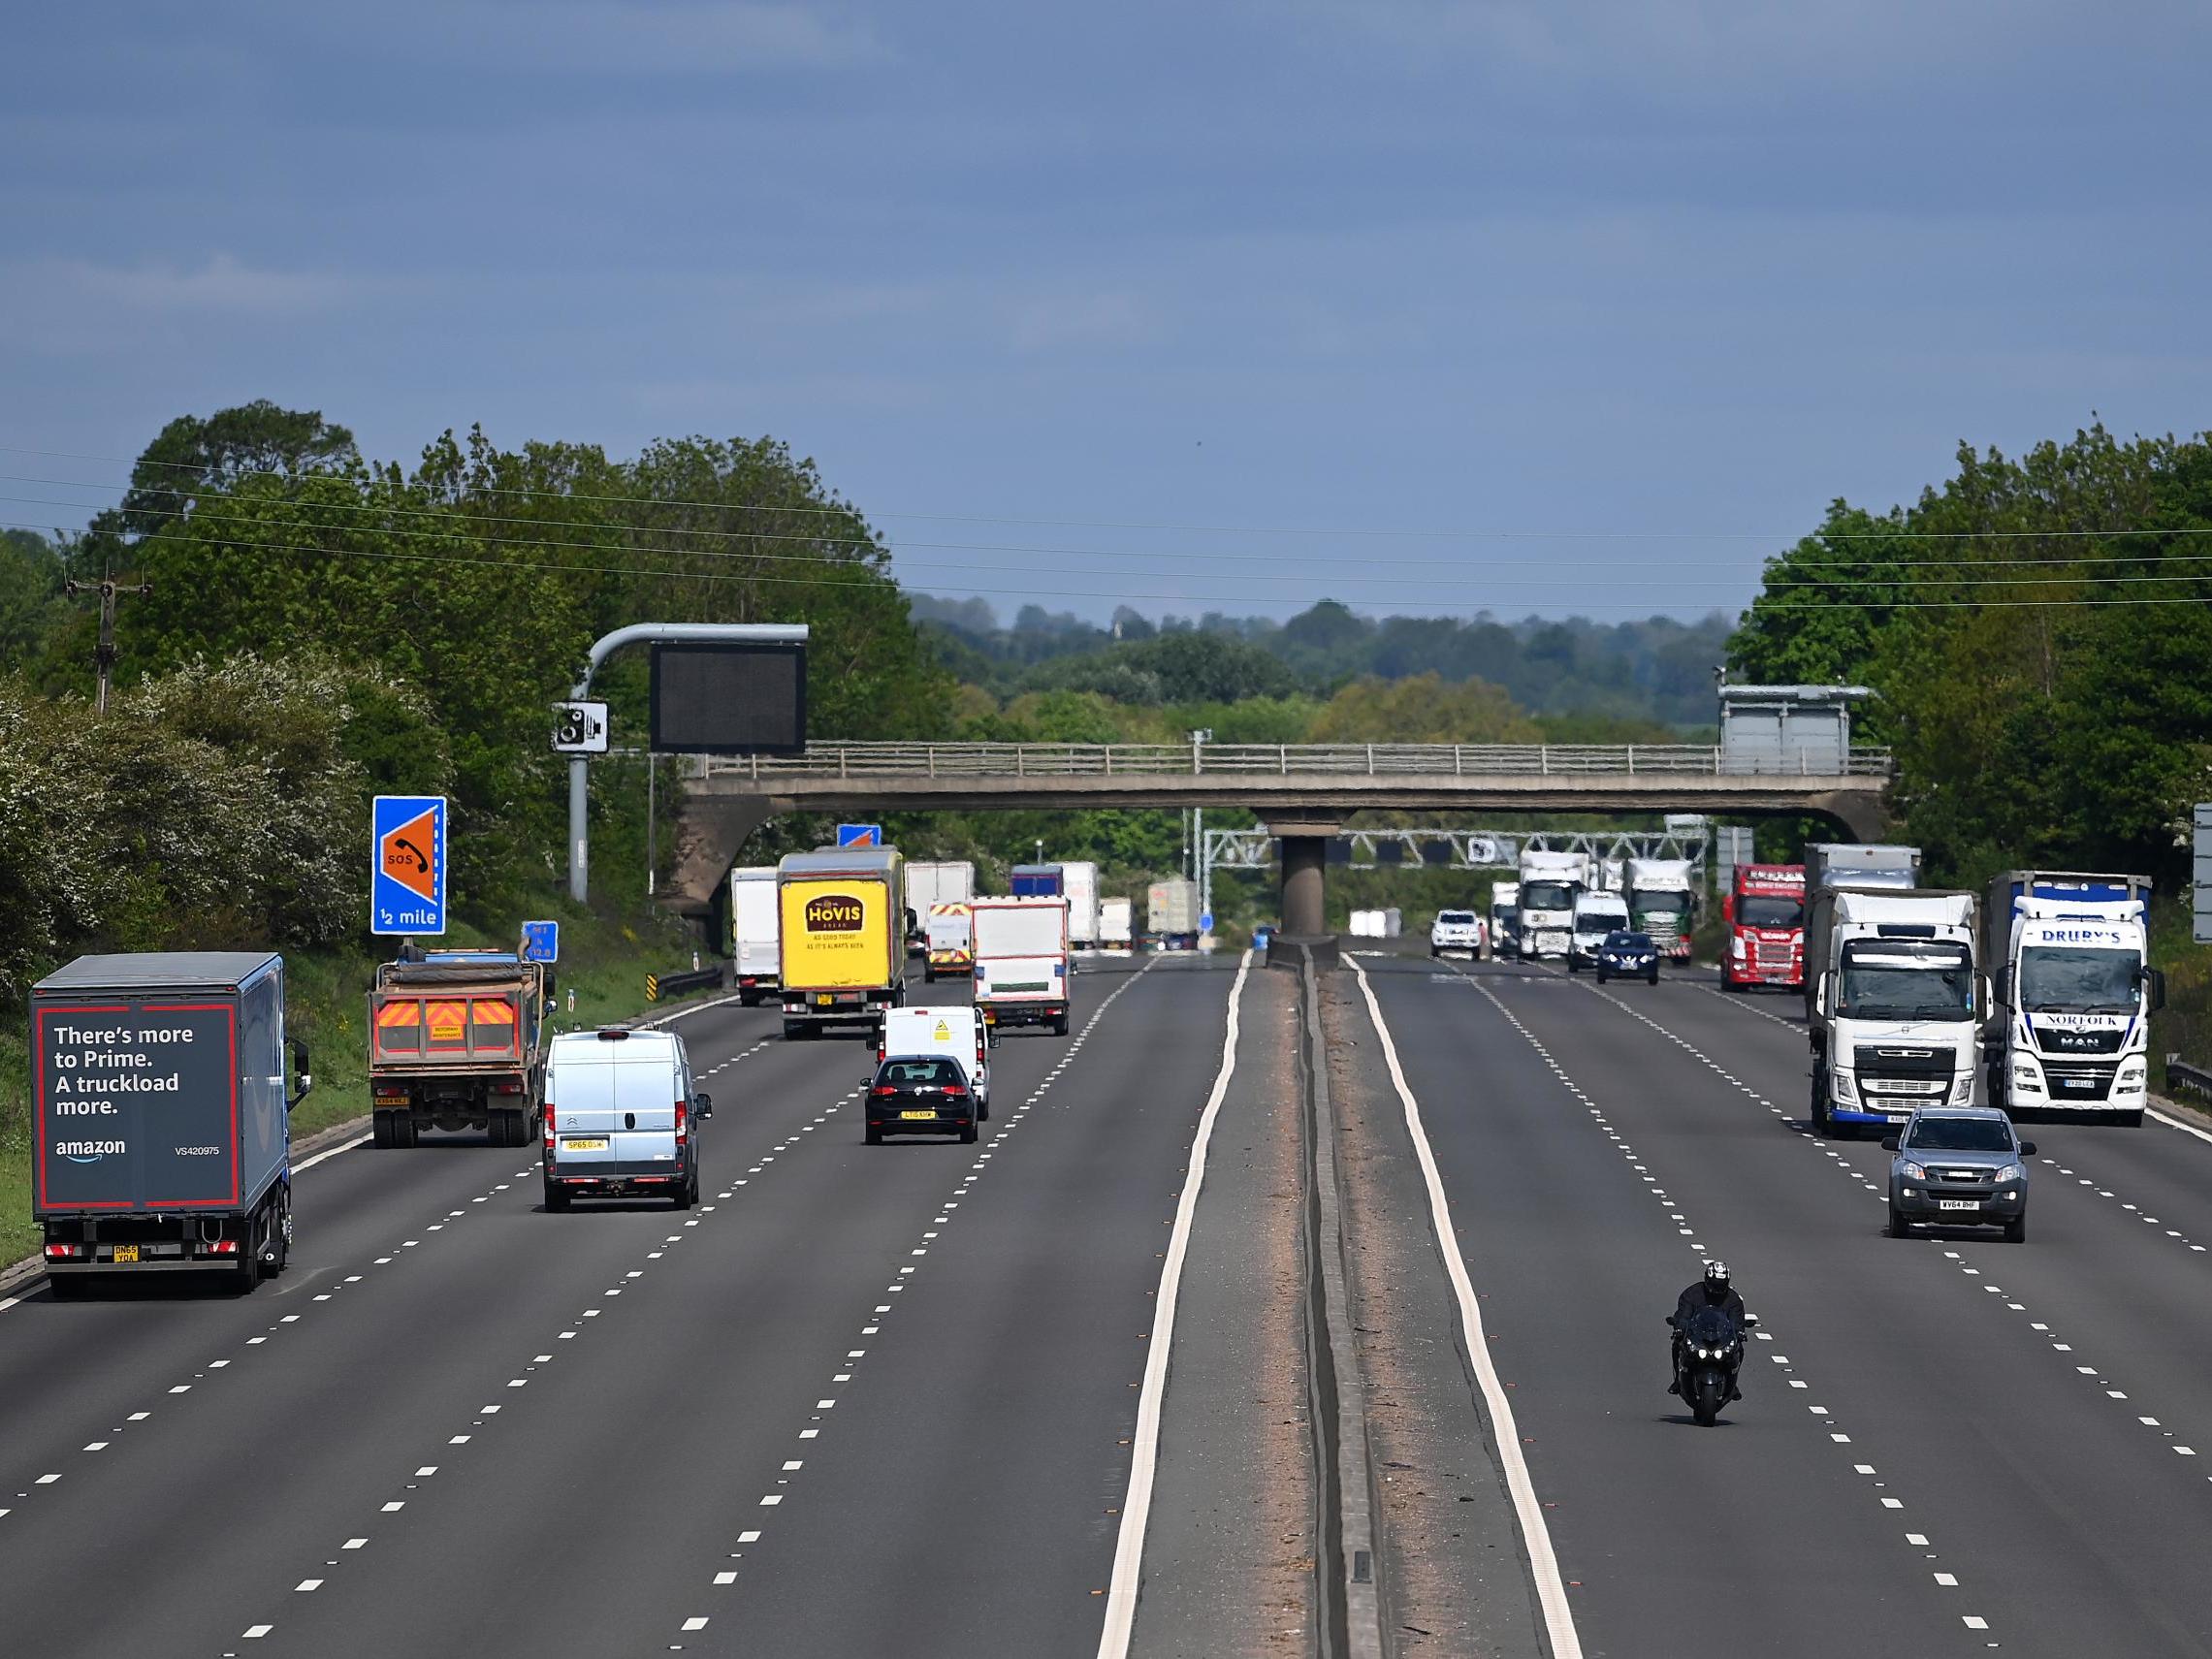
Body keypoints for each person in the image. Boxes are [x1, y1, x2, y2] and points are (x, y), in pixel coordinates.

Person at [1667, 1260, 1747, 1397]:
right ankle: (1677, 1380)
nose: (1717, 1288)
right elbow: (1684, 1315)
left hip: (1721, 1338)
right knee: (1677, 1343)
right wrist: (1680, 1327)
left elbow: (1736, 1320)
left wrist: (1739, 1332)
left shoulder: (1733, 1300)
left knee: (1738, 1349)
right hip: (1697, 1335)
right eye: (1715, 1284)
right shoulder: (1692, 1294)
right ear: (1707, 1279)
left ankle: (1732, 1383)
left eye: (1721, 1284)